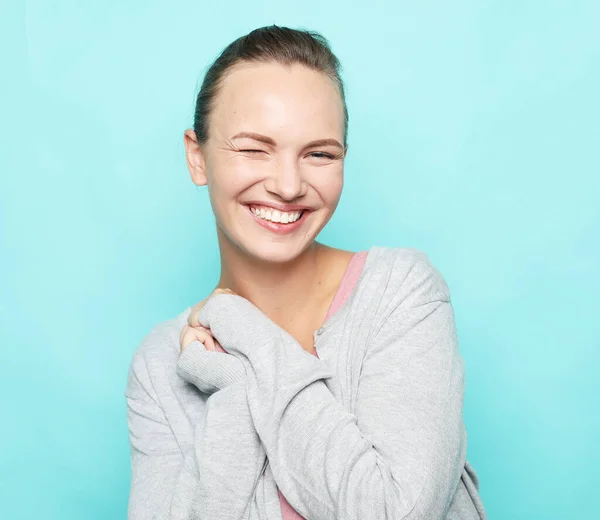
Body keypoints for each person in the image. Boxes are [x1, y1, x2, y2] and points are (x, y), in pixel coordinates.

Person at [125, 25, 487, 520]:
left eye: (319, 154)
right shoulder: (160, 366)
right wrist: (231, 389)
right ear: (197, 157)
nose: (289, 185)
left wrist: (241, 327)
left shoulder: (399, 293)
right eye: (254, 149)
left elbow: (393, 512)